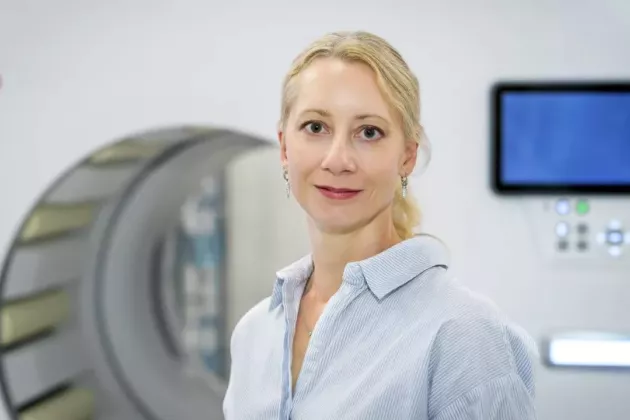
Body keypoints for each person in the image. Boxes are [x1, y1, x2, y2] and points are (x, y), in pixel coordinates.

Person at [223, 30, 538, 419]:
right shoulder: (254, 334)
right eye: (316, 128)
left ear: (406, 157)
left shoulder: (463, 335)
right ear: (285, 148)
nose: (337, 160)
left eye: (368, 132)